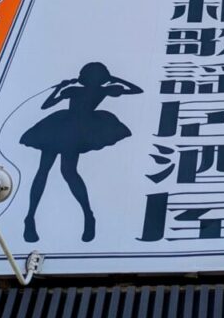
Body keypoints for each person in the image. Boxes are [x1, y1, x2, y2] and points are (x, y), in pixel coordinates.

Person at [20, 62, 142, 243]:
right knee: (47, 170)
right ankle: (31, 217)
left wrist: (112, 79)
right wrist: (60, 88)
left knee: (65, 172)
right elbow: (46, 105)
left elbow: (137, 90)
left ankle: (87, 215)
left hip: (76, 130)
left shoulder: (101, 90)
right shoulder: (80, 90)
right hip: (64, 127)